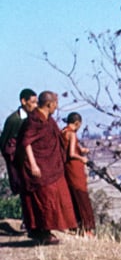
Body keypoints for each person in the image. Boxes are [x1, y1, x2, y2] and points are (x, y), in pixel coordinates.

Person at [17, 90, 76, 244]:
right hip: (39, 167)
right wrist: (33, 164)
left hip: (51, 167)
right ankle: (42, 232)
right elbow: (26, 142)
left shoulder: (48, 120)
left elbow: (55, 138)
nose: (56, 107)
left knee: (57, 196)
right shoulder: (34, 120)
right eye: (55, 104)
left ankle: (47, 231)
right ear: (49, 104)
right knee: (44, 199)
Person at [61, 112, 95, 235]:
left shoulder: (63, 132)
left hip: (66, 168)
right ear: (77, 123)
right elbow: (71, 154)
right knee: (82, 196)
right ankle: (87, 228)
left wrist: (81, 149)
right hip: (75, 168)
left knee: (74, 195)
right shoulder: (72, 134)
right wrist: (82, 159)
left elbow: (69, 148)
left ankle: (76, 225)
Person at [1, 88, 37, 195]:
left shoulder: (34, 118)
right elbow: (4, 142)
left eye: (36, 102)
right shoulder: (14, 120)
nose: (35, 106)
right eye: (32, 102)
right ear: (23, 101)